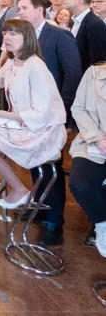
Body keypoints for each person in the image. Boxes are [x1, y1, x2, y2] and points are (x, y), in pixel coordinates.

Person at [0, 19, 67, 222]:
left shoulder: (36, 66)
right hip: (22, 125)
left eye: (13, 34)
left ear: (27, 38)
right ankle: (3, 192)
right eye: (5, 33)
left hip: (43, 132)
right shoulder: (13, 62)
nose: (6, 38)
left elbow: (40, 115)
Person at [15, 0, 82, 245]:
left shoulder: (59, 35)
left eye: (24, 8)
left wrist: (62, 110)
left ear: (40, 9)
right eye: (18, 8)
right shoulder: (25, 37)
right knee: (35, 161)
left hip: (52, 112)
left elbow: (73, 74)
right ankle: (40, 208)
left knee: (51, 165)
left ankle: (54, 223)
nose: (20, 12)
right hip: (29, 111)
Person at [69, 62, 106, 256]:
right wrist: (98, 137)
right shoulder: (94, 74)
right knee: (80, 183)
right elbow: (78, 108)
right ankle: (102, 224)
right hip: (93, 143)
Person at [65, 0, 106, 72]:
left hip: (87, 76)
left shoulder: (94, 23)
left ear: (78, 1)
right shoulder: (75, 20)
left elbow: (98, 59)